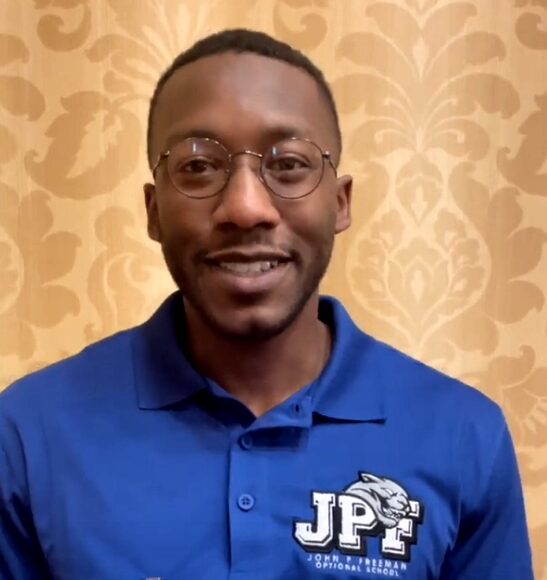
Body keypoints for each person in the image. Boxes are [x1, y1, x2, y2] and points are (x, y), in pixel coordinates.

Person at [0, 28, 534, 580]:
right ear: (154, 211)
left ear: (340, 202)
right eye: (199, 166)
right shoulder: (28, 432)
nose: (246, 207)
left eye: (289, 165)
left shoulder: (463, 435)